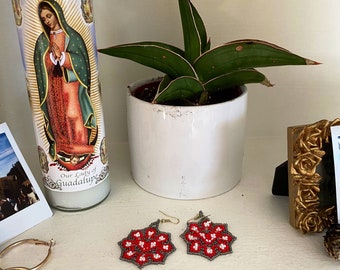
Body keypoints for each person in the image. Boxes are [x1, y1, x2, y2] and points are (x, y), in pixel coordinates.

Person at [34, 0, 97, 171]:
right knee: (58, 118)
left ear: (57, 13)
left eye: (49, 16)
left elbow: (82, 62)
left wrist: (63, 58)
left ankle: (80, 148)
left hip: (70, 85)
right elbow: (39, 67)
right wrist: (50, 58)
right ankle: (64, 149)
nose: (47, 21)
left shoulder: (73, 37)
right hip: (53, 88)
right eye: (44, 19)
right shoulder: (42, 41)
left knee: (73, 115)